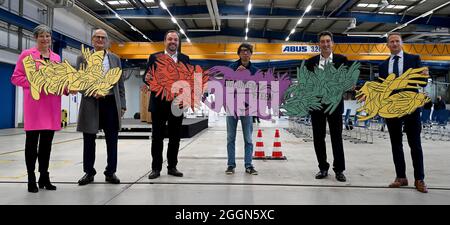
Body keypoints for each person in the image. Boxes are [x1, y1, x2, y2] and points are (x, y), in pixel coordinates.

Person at [11, 24, 61, 193]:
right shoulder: (26, 55)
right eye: (41, 36)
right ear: (35, 38)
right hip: (35, 105)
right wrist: (35, 83)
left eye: (47, 36)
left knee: (47, 145)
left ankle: (44, 177)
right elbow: (16, 77)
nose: (45, 39)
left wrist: (68, 87)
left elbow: (59, 80)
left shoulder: (56, 58)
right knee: (31, 144)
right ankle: (31, 177)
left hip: (52, 105)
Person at [379, 32, 428, 193]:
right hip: (392, 108)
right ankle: (401, 177)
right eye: (391, 41)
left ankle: (419, 179)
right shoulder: (383, 66)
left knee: (415, 144)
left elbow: (423, 82)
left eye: (397, 41)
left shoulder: (414, 59)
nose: (394, 44)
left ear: (401, 43)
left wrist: (425, 76)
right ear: (387, 45)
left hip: (411, 106)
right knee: (396, 144)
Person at [76, 29, 126, 185]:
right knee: (89, 139)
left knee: (112, 140)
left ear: (107, 41)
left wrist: (122, 105)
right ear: (92, 40)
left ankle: (111, 172)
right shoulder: (82, 58)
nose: (100, 39)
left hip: (111, 103)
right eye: (97, 37)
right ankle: (88, 172)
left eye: (103, 38)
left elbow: (120, 84)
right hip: (91, 103)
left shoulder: (115, 59)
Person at [305, 31, 349, 182]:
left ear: (332, 43)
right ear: (319, 44)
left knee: (337, 138)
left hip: (335, 105)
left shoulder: (342, 60)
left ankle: (339, 170)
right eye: (322, 41)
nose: (325, 44)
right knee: (318, 138)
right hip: (317, 105)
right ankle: (323, 167)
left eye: (328, 41)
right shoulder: (310, 62)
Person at [145, 30, 188, 179]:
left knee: (175, 137)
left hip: (177, 104)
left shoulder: (185, 59)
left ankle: (172, 166)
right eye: (170, 39)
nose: (173, 42)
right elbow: (147, 77)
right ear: (165, 41)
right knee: (157, 137)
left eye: (175, 40)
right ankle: (156, 168)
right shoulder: (154, 58)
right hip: (158, 103)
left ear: (178, 42)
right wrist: (149, 79)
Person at [225, 43, 259, 175]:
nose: (245, 53)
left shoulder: (255, 70)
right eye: (242, 51)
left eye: (247, 51)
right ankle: (231, 165)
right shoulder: (231, 68)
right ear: (239, 53)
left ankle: (248, 165)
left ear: (251, 54)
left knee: (248, 139)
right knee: (230, 138)